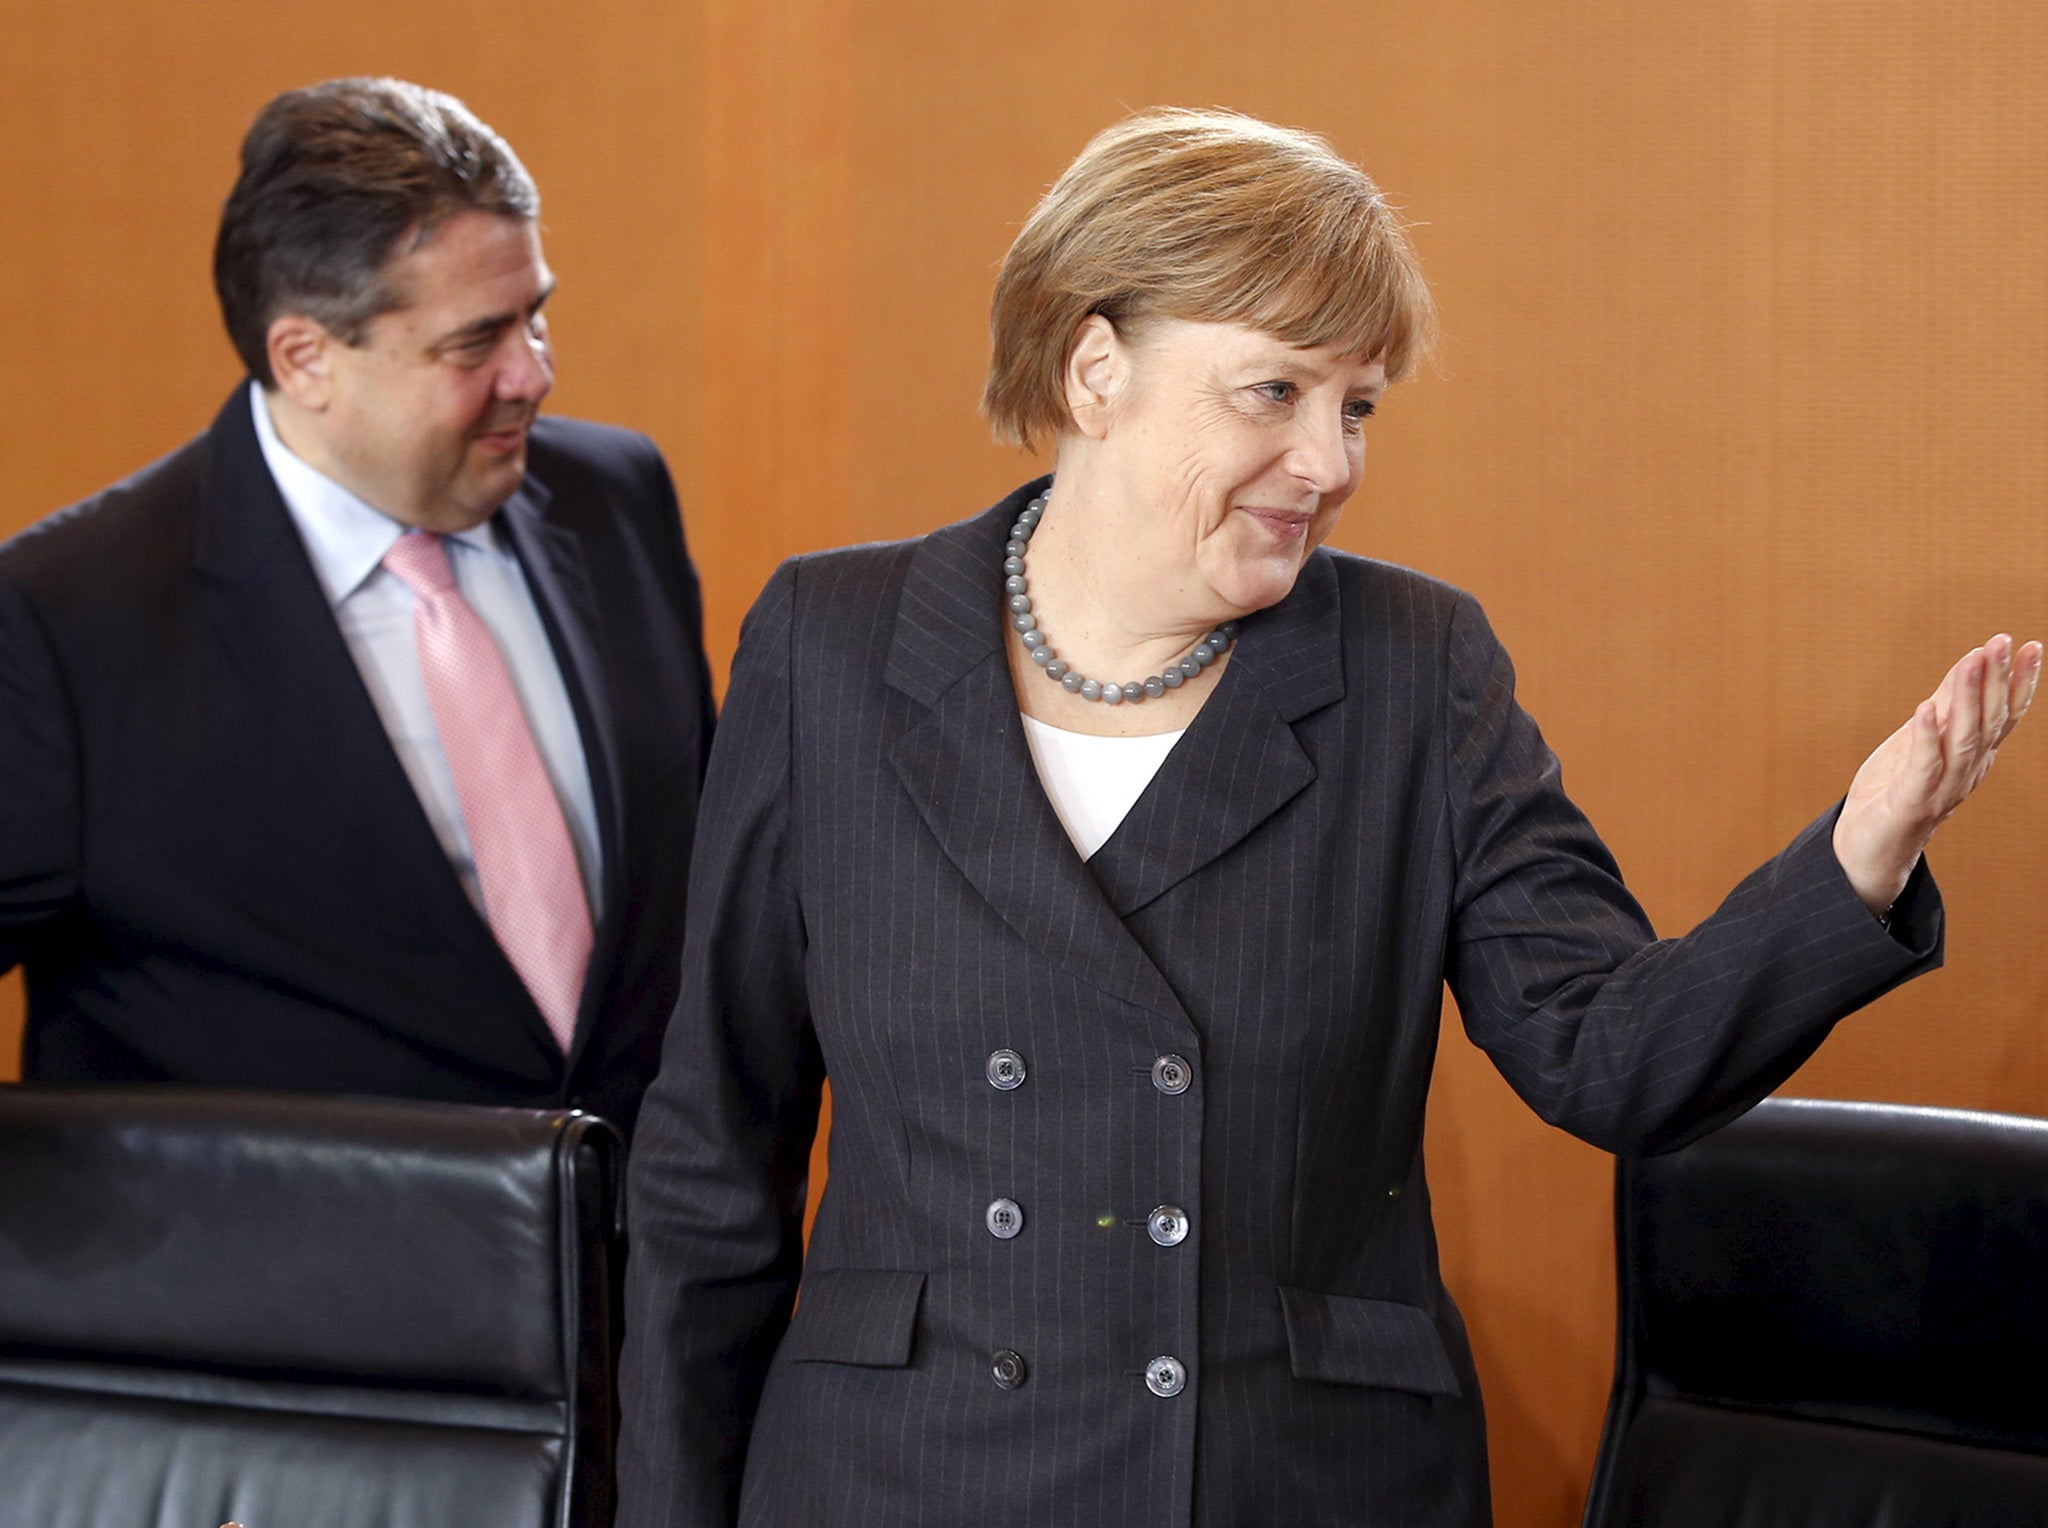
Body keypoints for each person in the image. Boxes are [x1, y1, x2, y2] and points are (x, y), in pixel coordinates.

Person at [613, 109, 2038, 1525]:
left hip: (1287, 1478)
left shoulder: (1415, 668)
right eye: (1275, 393)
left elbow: (1609, 1057)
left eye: (1357, 406)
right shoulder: (831, 641)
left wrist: (1860, 854)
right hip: (902, 1477)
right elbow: (709, 1166)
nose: (1331, 463)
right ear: (1095, 366)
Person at [0, 78, 713, 1138]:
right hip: (277, 1291)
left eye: (536, 314)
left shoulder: (618, 495)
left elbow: (698, 907)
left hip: (635, 1279)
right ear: (305, 358)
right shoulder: (66, 617)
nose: (533, 373)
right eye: (475, 343)